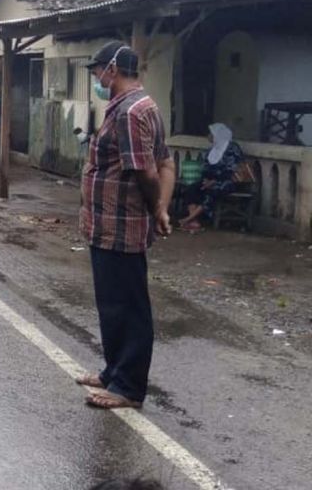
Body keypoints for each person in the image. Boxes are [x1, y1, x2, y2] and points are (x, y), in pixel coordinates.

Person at [78, 41, 175, 409]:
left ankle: (129, 387)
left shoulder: (129, 113)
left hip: (121, 225)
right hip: (107, 225)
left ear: (112, 70)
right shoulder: (137, 106)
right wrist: (162, 209)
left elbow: (148, 170)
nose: (97, 78)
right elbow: (166, 163)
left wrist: (156, 207)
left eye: (97, 71)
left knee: (128, 306)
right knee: (111, 303)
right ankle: (112, 371)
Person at [178, 123, 244, 231]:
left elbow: (232, 170)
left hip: (228, 181)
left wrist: (213, 181)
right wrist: (206, 180)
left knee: (212, 191)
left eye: (211, 134)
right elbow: (205, 167)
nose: (209, 136)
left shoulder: (232, 149)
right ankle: (194, 222)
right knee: (192, 188)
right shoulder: (211, 149)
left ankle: (188, 219)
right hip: (209, 180)